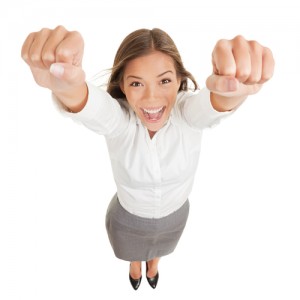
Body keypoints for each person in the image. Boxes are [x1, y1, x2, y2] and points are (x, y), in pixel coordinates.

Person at [21, 26, 274, 290]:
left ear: (179, 80)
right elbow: (93, 107)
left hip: (174, 216)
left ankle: (153, 265)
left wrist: (231, 92)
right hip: (128, 218)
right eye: (136, 83)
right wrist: (67, 87)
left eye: (164, 81)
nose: (151, 97)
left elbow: (210, 106)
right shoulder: (119, 122)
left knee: (159, 250)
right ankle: (134, 264)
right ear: (123, 86)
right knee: (132, 252)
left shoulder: (187, 115)